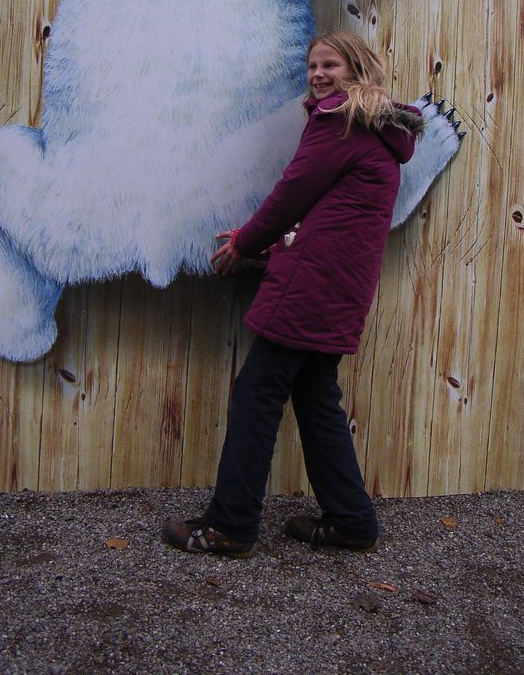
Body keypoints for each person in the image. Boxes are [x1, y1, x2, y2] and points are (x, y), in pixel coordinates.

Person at [162, 31, 424, 557]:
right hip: (341, 284)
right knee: (315, 396)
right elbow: (328, 214)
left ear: (358, 70)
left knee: (257, 393)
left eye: (331, 65)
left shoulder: (340, 122)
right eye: (313, 66)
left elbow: (291, 193)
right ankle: (351, 521)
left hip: (312, 283)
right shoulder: (376, 133)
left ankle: (230, 525)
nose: (318, 74)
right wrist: (276, 245)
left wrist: (245, 241)